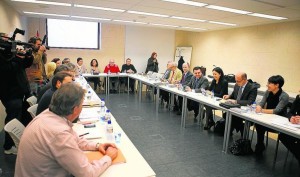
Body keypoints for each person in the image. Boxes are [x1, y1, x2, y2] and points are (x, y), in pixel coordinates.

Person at [15, 83, 118, 177]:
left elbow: (74, 139)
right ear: (75, 109)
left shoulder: (49, 114)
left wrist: (97, 145)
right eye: (82, 104)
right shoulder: (59, 133)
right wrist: (108, 157)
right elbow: (87, 173)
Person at [0, 36, 33, 154]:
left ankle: (20, 140)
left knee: (22, 117)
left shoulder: (10, 56)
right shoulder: (4, 57)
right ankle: (8, 146)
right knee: (13, 119)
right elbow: (9, 69)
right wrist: (18, 57)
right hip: (10, 94)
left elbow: (25, 64)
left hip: (21, 92)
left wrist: (28, 55)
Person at [254, 75, 289, 154]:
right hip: (267, 117)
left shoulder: (284, 96)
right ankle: (260, 144)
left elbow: (276, 111)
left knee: (260, 125)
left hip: (278, 121)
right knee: (258, 124)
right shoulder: (268, 92)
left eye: (269, 83)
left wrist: (262, 110)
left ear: (277, 85)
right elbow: (262, 102)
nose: (267, 85)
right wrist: (259, 106)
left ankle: (260, 145)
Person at [278, 90, 300, 164]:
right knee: (283, 136)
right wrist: (291, 118)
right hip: (296, 127)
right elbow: (290, 112)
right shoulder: (298, 98)